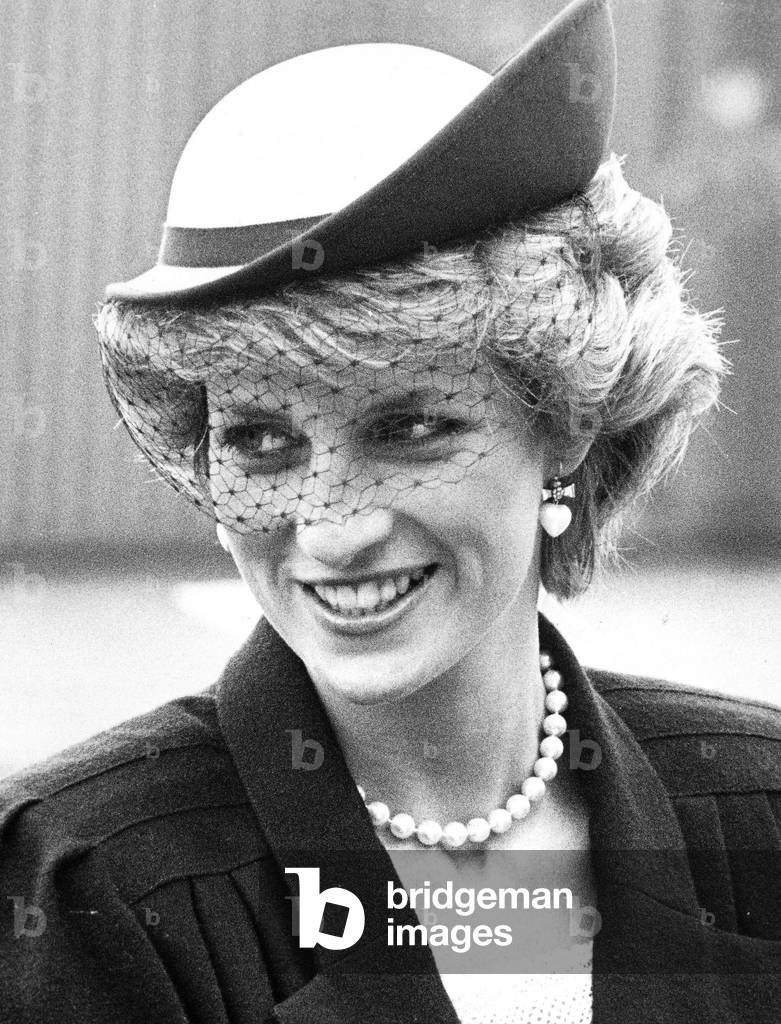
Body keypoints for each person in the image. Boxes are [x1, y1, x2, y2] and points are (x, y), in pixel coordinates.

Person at [1, 1, 779, 1021]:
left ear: (568, 424)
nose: (331, 529)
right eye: (261, 440)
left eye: (408, 427)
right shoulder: (85, 886)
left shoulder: (761, 818)